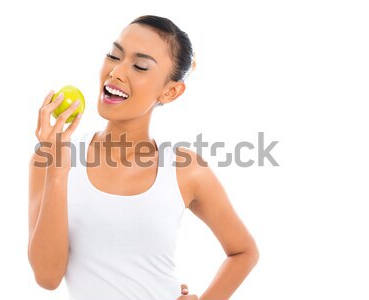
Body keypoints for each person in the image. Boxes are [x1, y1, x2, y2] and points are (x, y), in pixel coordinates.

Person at [28, 15, 259, 300]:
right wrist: (57, 170)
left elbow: (244, 251)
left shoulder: (185, 170)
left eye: (139, 66)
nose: (116, 72)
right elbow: (47, 277)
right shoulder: (51, 157)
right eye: (114, 55)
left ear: (170, 91)